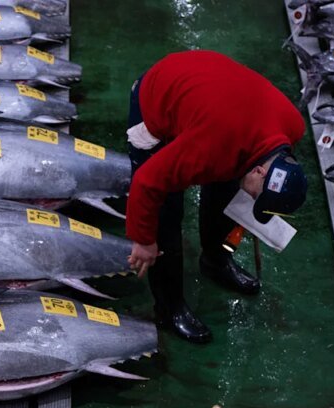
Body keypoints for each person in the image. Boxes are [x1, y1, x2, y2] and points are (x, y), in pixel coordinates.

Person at [125, 50, 307, 343]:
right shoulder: (211, 146)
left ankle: (215, 260)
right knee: (166, 214)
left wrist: (256, 197)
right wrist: (143, 240)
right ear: (260, 171)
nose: (251, 197)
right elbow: (147, 182)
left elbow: (243, 174)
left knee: (227, 192)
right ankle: (170, 308)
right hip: (158, 96)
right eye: (256, 192)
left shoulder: (292, 128)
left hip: (212, 97)